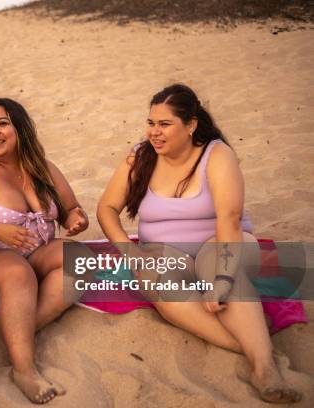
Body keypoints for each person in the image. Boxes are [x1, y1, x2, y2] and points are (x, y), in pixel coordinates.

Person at [96, 84, 302, 403]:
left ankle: (264, 369)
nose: (154, 132)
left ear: (191, 125)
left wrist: (221, 279)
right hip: (164, 251)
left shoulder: (217, 155)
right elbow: (107, 208)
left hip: (224, 239)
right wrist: (128, 249)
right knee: (154, 276)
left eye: (165, 124)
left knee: (213, 262)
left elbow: (229, 218)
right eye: (151, 123)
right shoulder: (140, 157)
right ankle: (249, 348)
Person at [0, 98, 89, 404]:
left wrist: (75, 219)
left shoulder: (43, 169)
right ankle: (24, 370)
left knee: (81, 258)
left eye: (2, 124)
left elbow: (71, 208)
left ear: (20, 129)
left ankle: (19, 326)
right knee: (16, 270)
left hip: (31, 254)